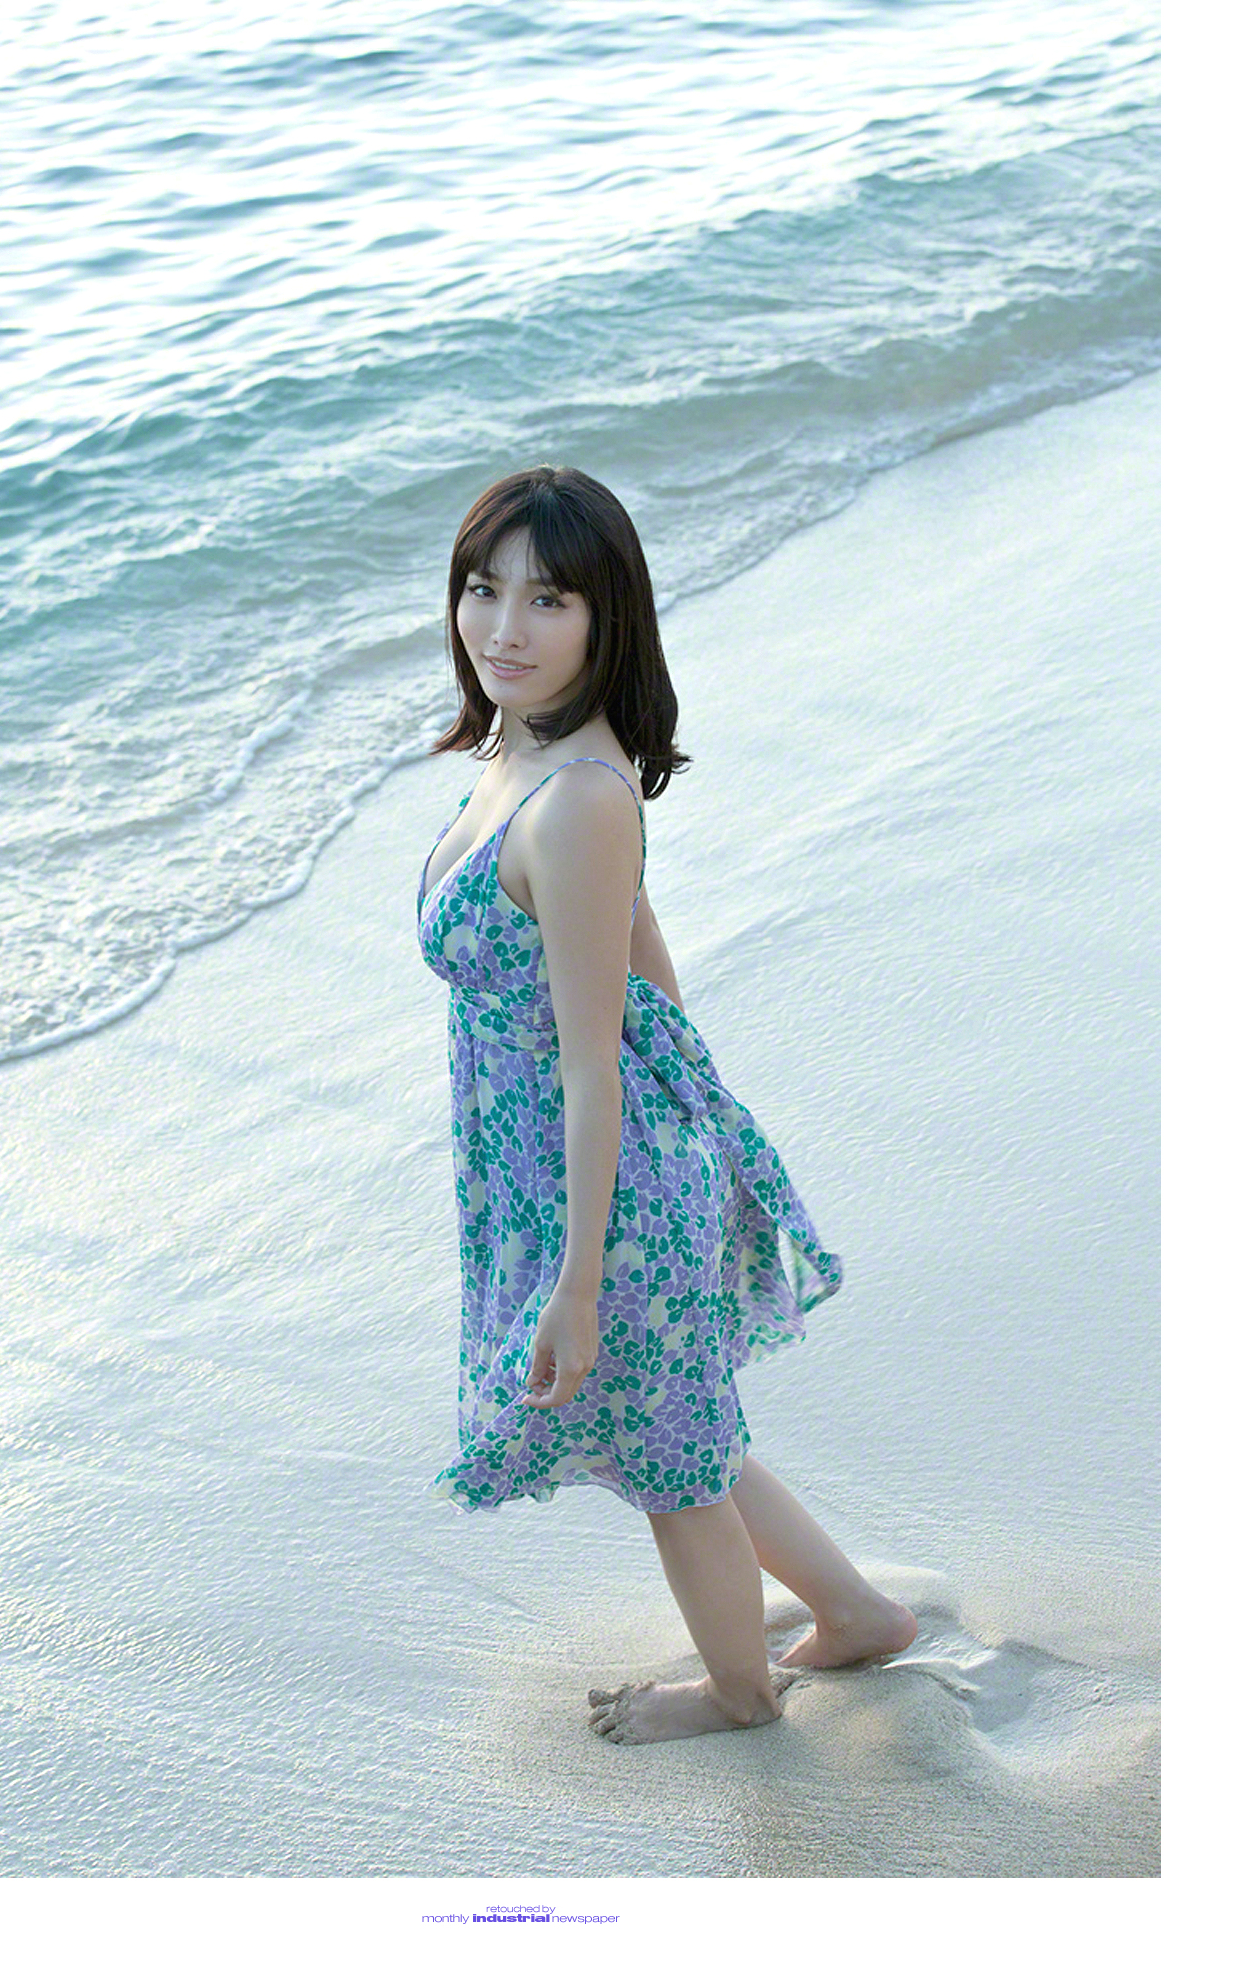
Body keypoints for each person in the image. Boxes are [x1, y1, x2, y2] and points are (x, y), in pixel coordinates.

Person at [417, 466, 917, 1745]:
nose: (503, 627)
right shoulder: (523, 753)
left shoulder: (581, 797)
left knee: (671, 1462)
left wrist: (578, 1280)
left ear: (607, 616)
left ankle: (740, 1694)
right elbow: (636, 944)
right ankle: (855, 1612)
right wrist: (694, 1106)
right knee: (683, 1424)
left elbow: (591, 1061)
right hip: (574, 1166)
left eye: (547, 599)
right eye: (482, 588)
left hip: (604, 1185)